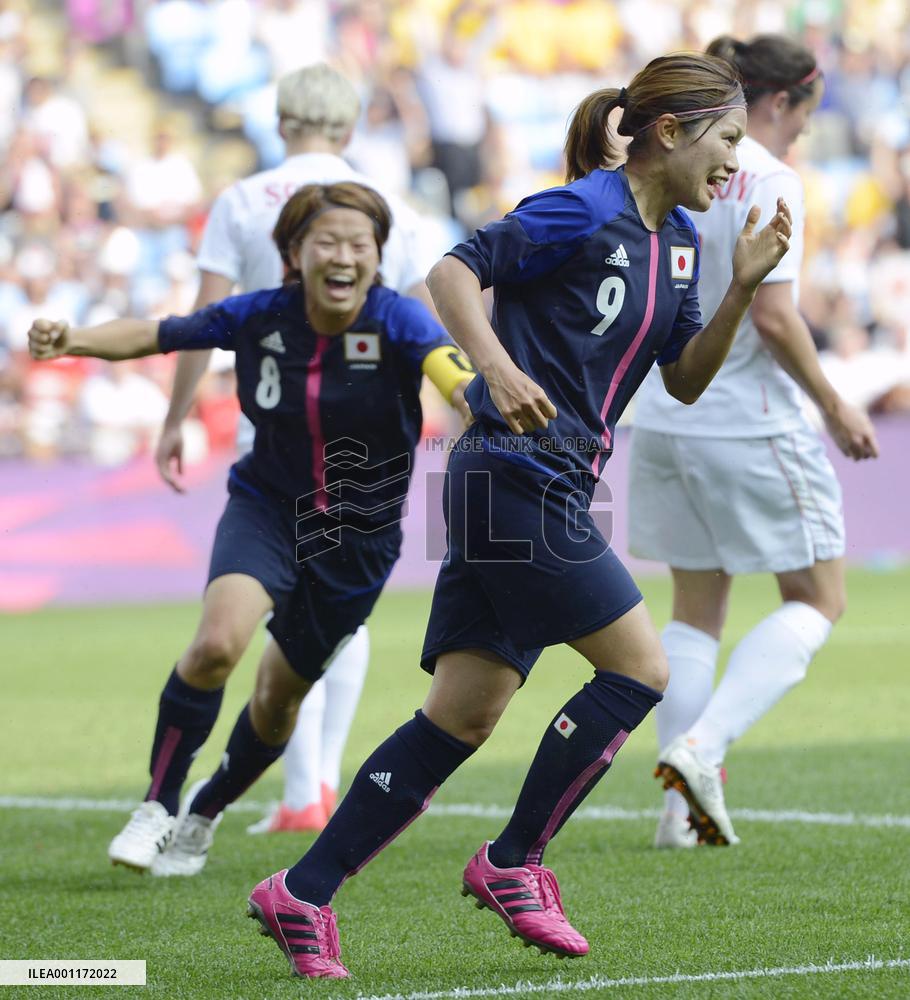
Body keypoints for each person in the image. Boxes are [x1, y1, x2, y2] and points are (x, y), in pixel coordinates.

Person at [243, 53, 794, 981]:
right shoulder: (582, 207)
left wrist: (742, 285)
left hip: (559, 483)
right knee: (641, 670)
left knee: (462, 716)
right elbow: (455, 271)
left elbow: (687, 382)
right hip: (510, 472)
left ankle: (301, 891)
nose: (736, 163)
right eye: (728, 138)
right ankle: (514, 861)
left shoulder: (689, 242)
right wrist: (493, 369)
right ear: (668, 131)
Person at [28, 181, 475, 876]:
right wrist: (72, 339)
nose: (345, 256)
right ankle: (157, 804)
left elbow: (450, 371)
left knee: (276, 700)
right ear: (293, 254)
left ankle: (204, 811)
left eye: (360, 245)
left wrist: (478, 401)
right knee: (215, 645)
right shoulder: (259, 315)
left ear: (377, 257)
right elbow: (160, 332)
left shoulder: (398, 322)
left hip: (357, 541)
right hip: (266, 508)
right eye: (327, 242)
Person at [158, 62, 452, 836]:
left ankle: (296, 794)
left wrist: (177, 415)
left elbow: (205, 314)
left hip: (274, 438)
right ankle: (311, 785)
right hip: (362, 456)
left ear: (281, 121)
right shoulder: (388, 210)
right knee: (324, 628)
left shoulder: (239, 201)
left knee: (257, 630)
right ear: (350, 129)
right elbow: (427, 326)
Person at [628, 36, 879, 851]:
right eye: (804, 117)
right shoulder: (769, 178)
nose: (802, 135)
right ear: (782, 101)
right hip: (750, 419)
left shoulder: (673, 168)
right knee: (818, 598)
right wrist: (837, 404)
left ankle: (679, 814)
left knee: (696, 613)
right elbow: (773, 315)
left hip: (667, 415)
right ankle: (701, 752)